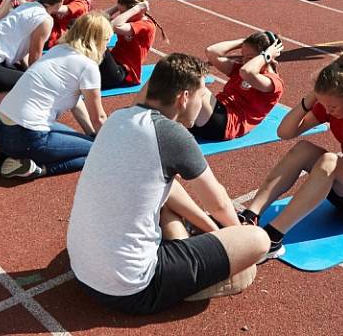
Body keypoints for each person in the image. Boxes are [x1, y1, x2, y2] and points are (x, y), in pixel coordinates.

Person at [67, 53, 269, 314]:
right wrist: (235, 237)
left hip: (84, 270)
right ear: (184, 98)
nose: (206, 100)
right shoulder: (172, 134)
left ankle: (187, 252)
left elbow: (167, 188)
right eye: (203, 93)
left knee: (163, 196)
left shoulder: (118, 118)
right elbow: (218, 202)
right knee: (257, 241)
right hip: (133, 289)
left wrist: (210, 230)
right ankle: (190, 284)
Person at [237, 52, 343, 261]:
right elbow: (285, 132)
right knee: (303, 149)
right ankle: (250, 215)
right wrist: (312, 98)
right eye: (324, 104)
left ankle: (273, 237)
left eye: (332, 107)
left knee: (330, 161)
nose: (328, 110)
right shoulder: (332, 103)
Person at [0, 12, 112, 178]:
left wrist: (91, 135)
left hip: (2, 126)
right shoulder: (88, 67)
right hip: (27, 137)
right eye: (107, 40)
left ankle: (4, 150)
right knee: (97, 153)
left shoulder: (57, 50)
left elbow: (76, 103)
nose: (107, 46)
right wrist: (110, 146)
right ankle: (37, 169)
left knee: (89, 142)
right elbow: (99, 118)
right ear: (98, 40)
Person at [190, 32, 284, 141]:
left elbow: (246, 72)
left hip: (225, 125)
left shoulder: (273, 82)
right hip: (209, 117)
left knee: (194, 82)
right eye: (243, 56)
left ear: (267, 58)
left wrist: (267, 55)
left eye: (249, 58)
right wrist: (244, 42)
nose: (244, 61)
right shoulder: (240, 69)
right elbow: (211, 52)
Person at [101, 0, 166, 88]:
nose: (121, 15)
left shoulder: (145, 25)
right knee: (88, 27)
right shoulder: (125, 20)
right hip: (112, 65)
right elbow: (98, 20)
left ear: (134, 11)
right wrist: (117, 7)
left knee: (96, 40)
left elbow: (113, 26)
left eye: (123, 12)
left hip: (122, 73)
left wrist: (135, 9)